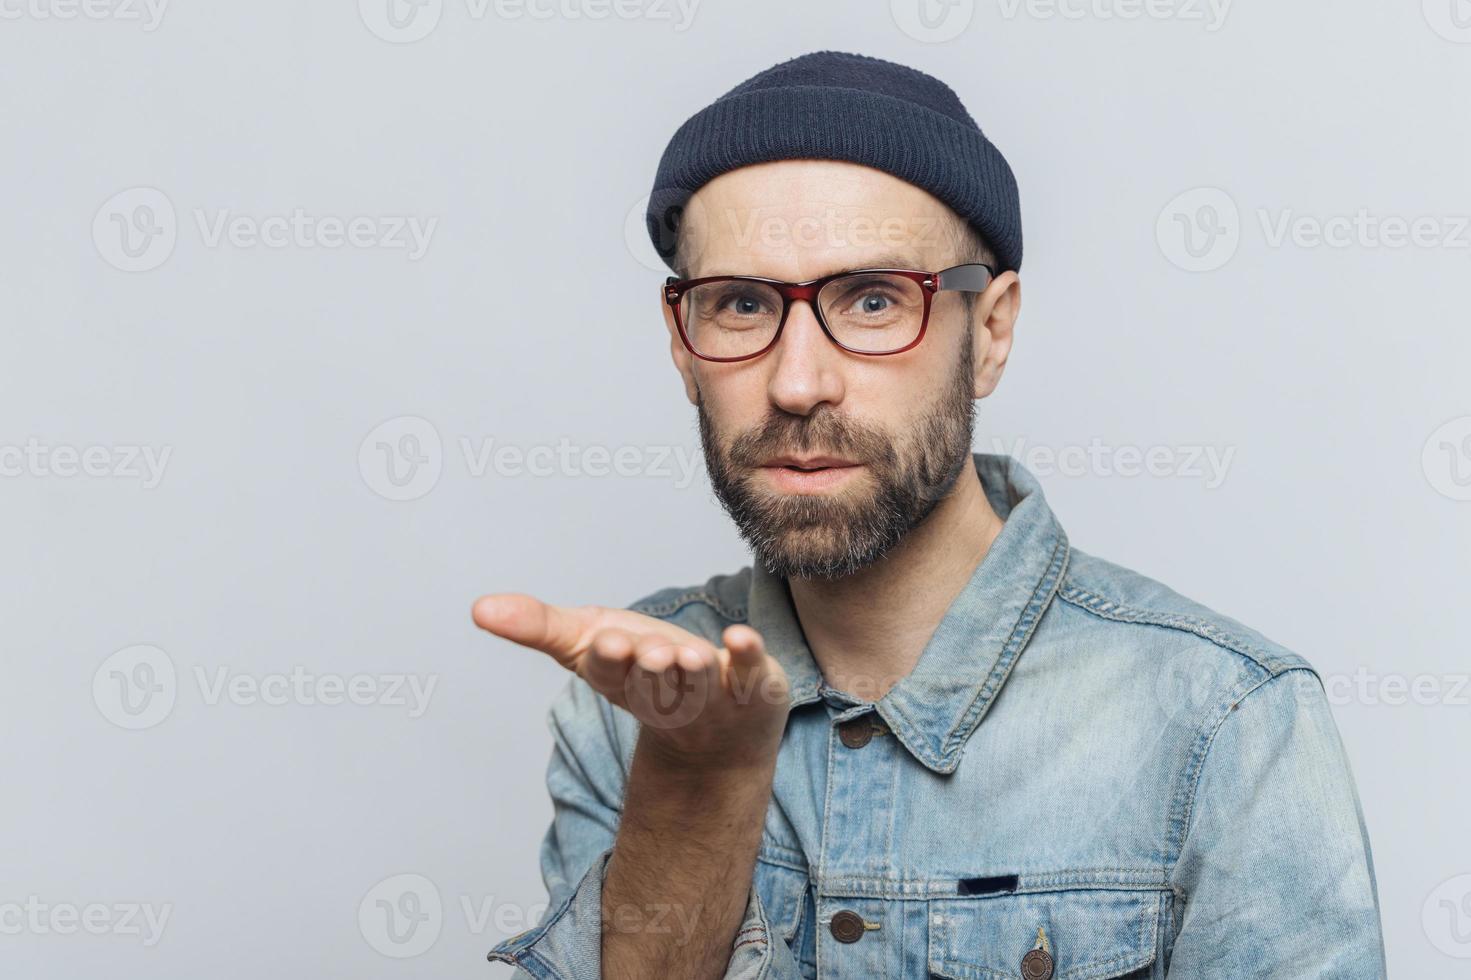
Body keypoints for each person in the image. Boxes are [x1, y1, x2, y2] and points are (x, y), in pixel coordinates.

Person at [476, 50, 1386, 979]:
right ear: (682, 342)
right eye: (741, 305)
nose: (797, 384)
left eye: (873, 301)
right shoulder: (636, 708)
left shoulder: (1224, 723)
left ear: (988, 332)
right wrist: (698, 785)